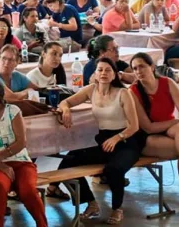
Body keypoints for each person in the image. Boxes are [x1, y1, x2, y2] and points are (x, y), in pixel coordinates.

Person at [53, 58, 142, 224]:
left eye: (108, 70)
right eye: (100, 70)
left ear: (114, 74)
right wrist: (65, 109)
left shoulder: (123, 93)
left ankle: (117, 209)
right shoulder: (91, 90)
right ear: (95, 73)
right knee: (67, 164)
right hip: (103, 141)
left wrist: (117, 138)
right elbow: (66, 101)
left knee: (113, 169)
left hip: (125, 142)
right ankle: (91, 203)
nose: (103, 73)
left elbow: (134, 126)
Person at [129, 53, 179, 217]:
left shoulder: (167, 83)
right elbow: (148, 127)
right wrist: (176, 123)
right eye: (135, 68)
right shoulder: (133, 91)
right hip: (145, 137)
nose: (138, 71)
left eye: (142, 66)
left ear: (152, 67)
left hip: (169, 130)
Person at [0, 79, 48, 227]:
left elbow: (21, 142)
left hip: (21, 161)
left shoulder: (13, 111)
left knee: (28, 190)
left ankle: (43, 225)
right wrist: (0, 164)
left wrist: (0, 156)